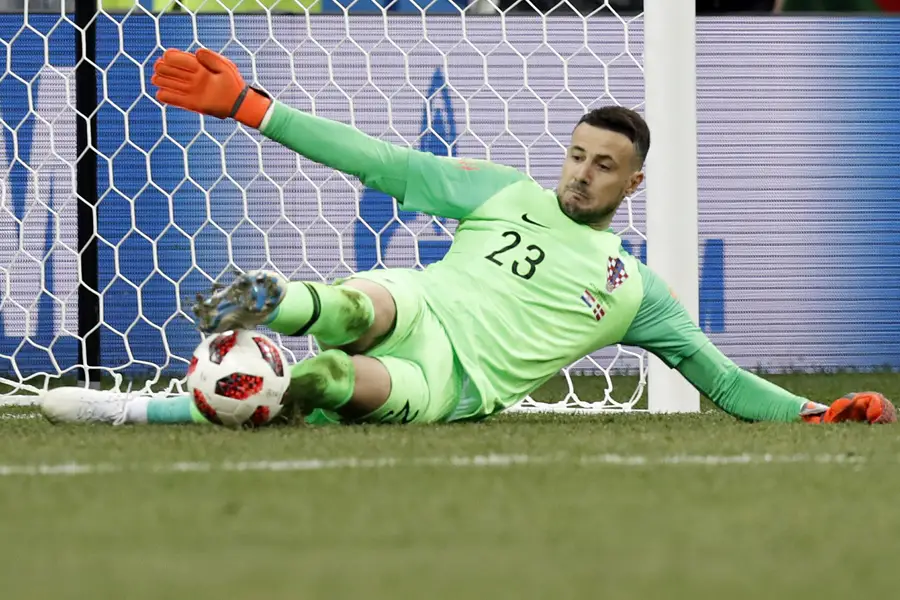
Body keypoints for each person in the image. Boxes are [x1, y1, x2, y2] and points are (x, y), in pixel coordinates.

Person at [40, 48, 895, 427]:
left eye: (604, 167)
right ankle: (283, 302)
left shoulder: (635, 291)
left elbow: (722, 379)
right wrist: (249, 106)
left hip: (452, 380)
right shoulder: (501, 191)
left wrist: (818, 412)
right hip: (419, 302)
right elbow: (376, 159)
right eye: (576, 154)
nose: (582, 173)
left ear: (633, 186)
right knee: (356, 302)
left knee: (343, 374)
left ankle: (284, 386)